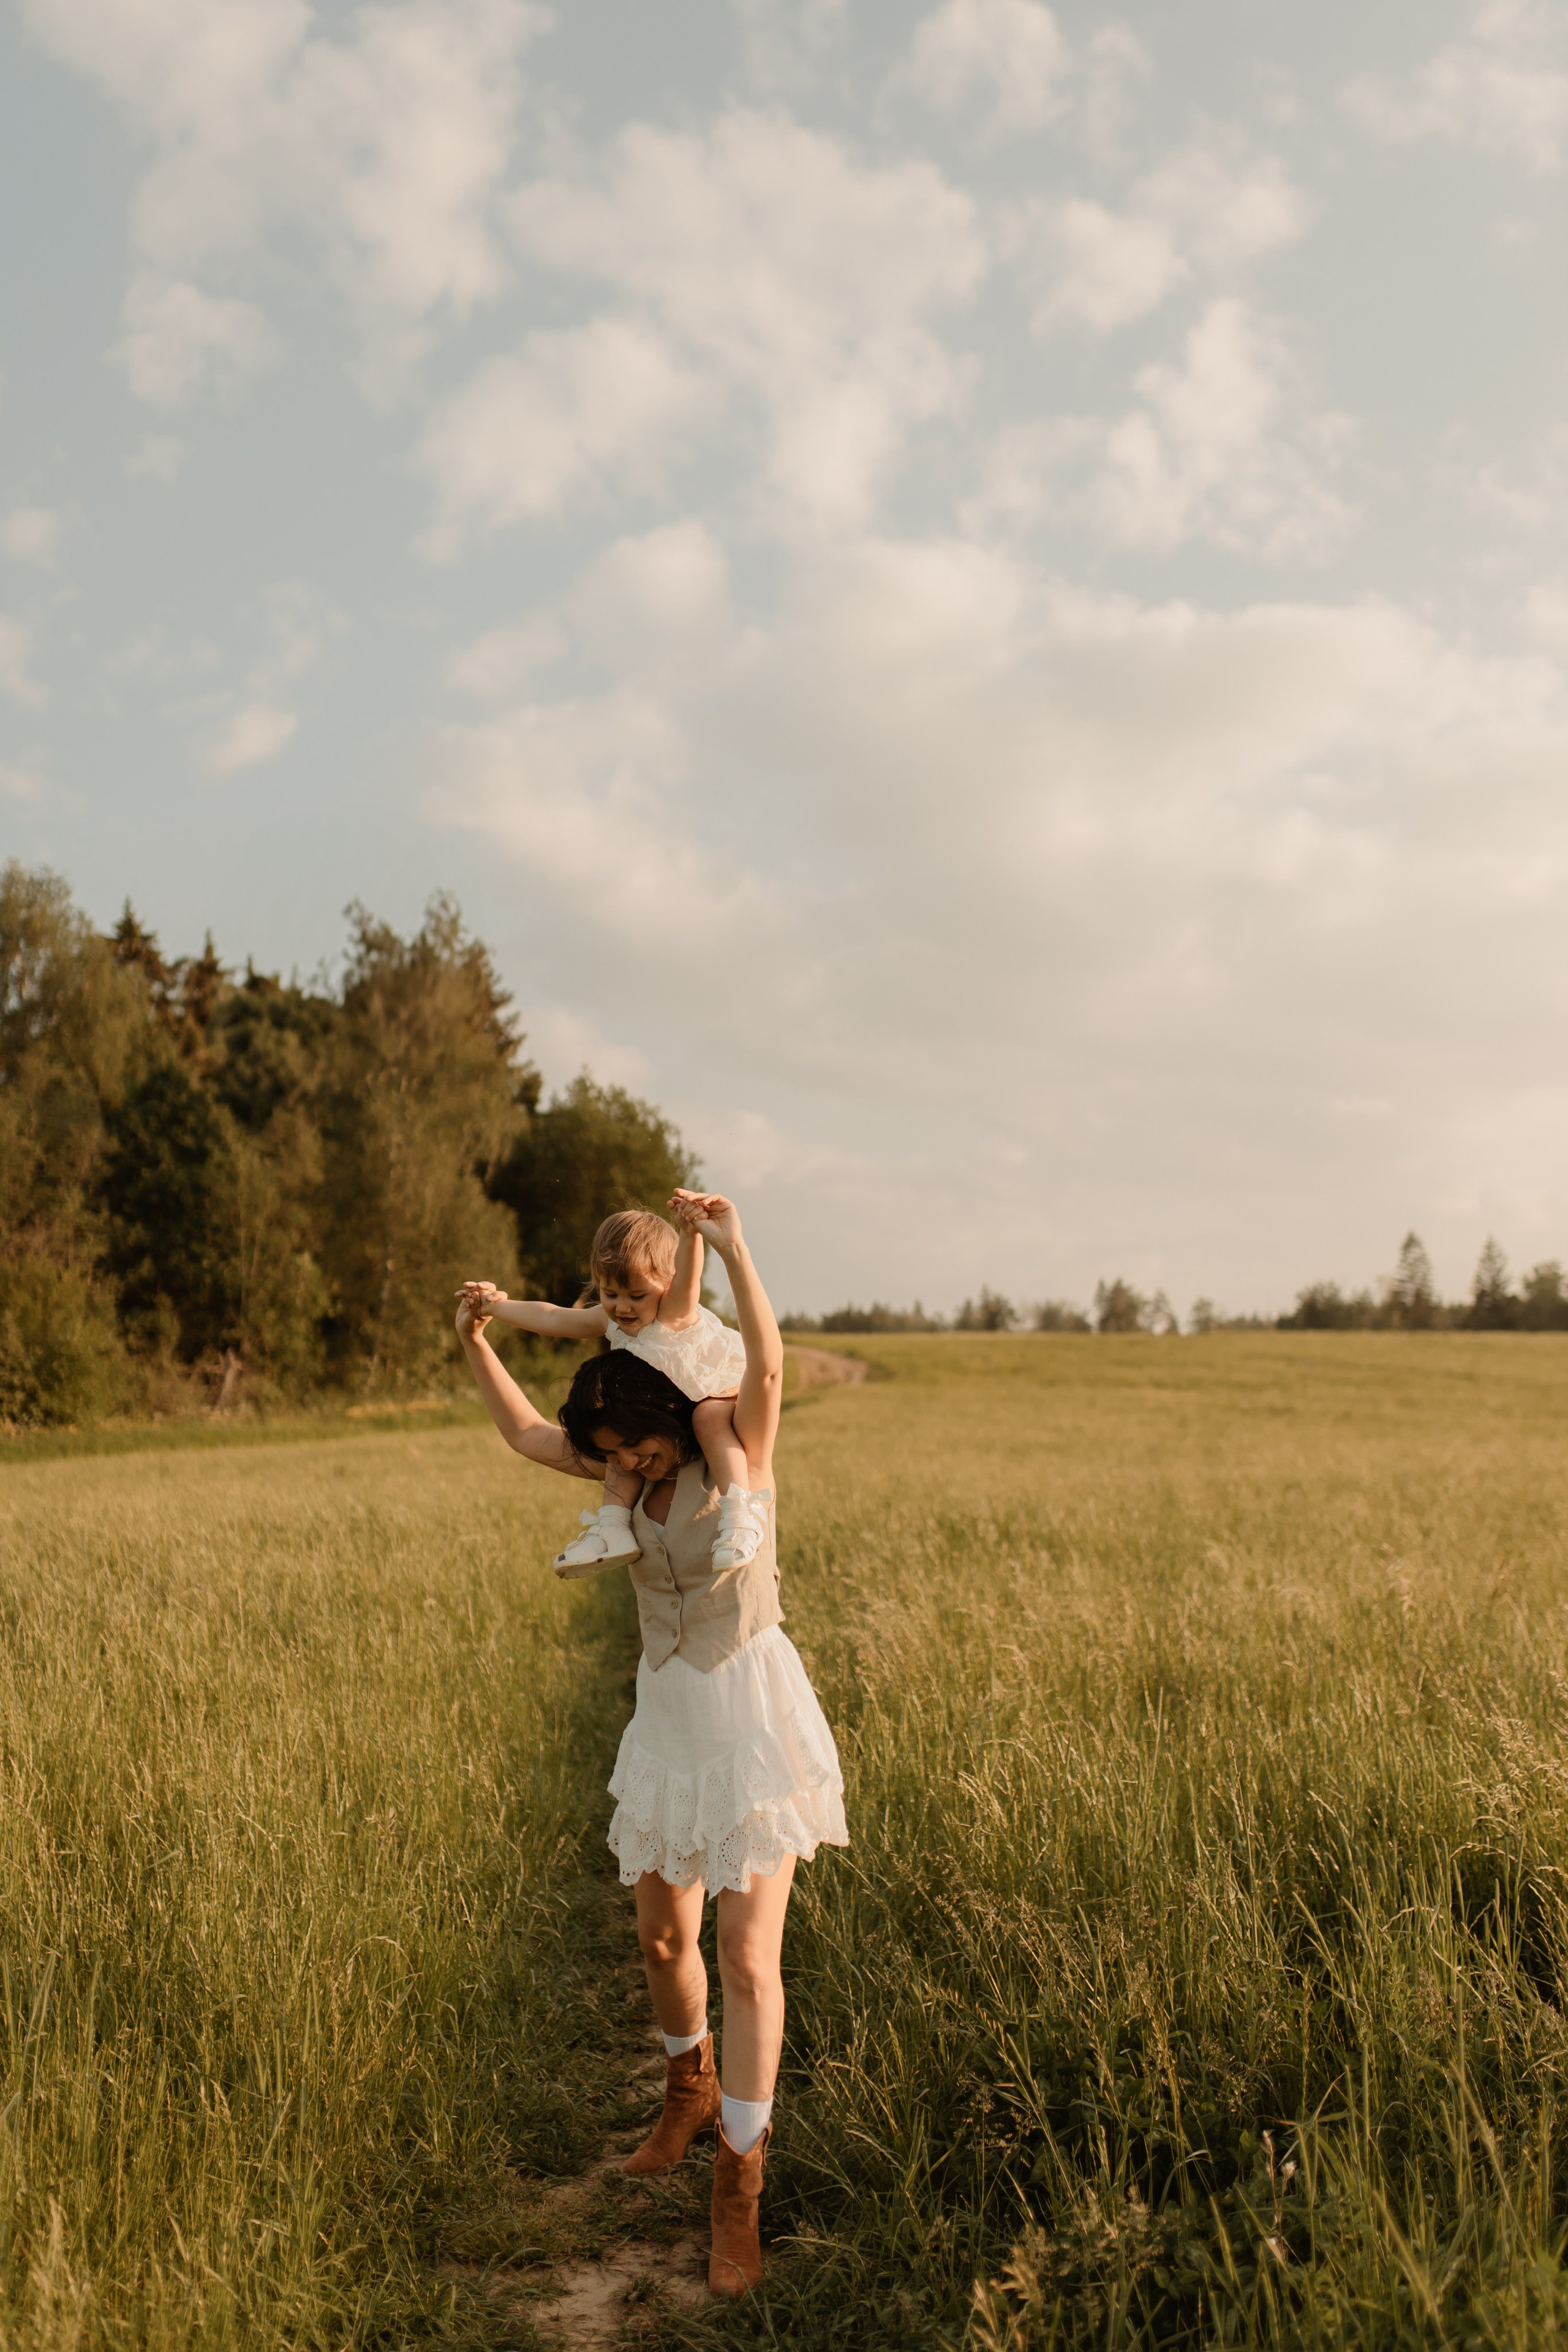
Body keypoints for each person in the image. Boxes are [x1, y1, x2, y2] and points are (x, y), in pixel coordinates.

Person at [454, 1191, 848, 2298]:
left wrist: (731, 1248)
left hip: (750, 1715)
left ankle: (740, 2180)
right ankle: (686, 2091)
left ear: (668, 1419)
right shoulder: (627, 1452)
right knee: (665, 1946)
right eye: (609, 1452)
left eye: (629, 1446)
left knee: (746, 1958)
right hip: (666, 1716)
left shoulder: (739, 1453)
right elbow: (532, 1433)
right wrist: (478, 1344)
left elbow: (765, 1366)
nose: (613, 1460)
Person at [458, 1204, 766, 1578]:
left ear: (666, 1286)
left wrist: (690, 1233)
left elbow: (688, 1275)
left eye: (637, 1295)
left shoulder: (674, 1310)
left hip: (718, 1392)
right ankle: (613, 1527)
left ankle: (740, 1513)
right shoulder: (611, 1321)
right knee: (620, 1444)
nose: (623, 1307)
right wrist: (495, 1308)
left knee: (709, 1418)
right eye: (611, 1293)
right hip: (666, 1414)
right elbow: (553, 1317)